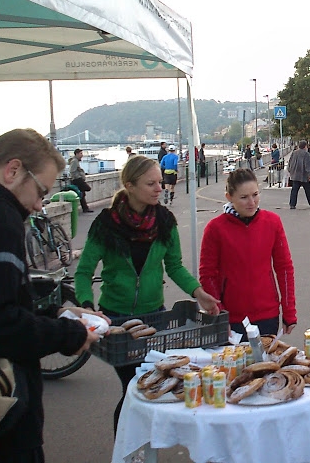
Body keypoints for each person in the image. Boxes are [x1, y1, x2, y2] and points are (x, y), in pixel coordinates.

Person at [0, 128, 103, 463]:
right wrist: (70, 333)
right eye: (41, 190)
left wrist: (56, 314)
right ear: (12, 171)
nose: (39, 203)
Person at [74, 155, 220, 430]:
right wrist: (86, 305)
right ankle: (128, 449)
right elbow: (83, 272)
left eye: (160, 182)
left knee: (151, 385)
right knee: (134, 388)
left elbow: (174, 266)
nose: (160, 187)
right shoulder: (106, 224)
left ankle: (143, 444)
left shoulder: (164, 220)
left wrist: (198, 292)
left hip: (155, 317)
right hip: (116, 321)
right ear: (129, 185)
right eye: (151, 183)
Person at [199, 168, 297, 337]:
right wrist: (219, 313)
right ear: (229, 197)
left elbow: (284, 268)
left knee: (266, 363)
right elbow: (207, 274)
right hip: (231, 318)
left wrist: (289, 311)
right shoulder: (215, 228)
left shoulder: (272, 222)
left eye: (255, 195)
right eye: (244, 197)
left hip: (268, 314)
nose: (251, 202)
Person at [287, 139, 310, 209]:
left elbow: (290, 163)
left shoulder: (294, 153)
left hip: (295, 175)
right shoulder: (306, 154)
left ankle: (292, 204)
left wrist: (290, 171)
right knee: (308, 190)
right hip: (303, 175)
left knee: (294, 190)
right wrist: (309, 175)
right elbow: (308, 165)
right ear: (305, 146)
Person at [69, 148, 94, 213]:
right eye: (80, 153)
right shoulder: (74, 161)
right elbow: (72, 171)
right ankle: (84, 208)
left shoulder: (76, 161)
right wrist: (78, 177)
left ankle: (85, 208)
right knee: (87, 188)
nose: (82, 155)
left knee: (82, 194)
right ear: (76, 154)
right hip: (77, 180)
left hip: (78, 179)